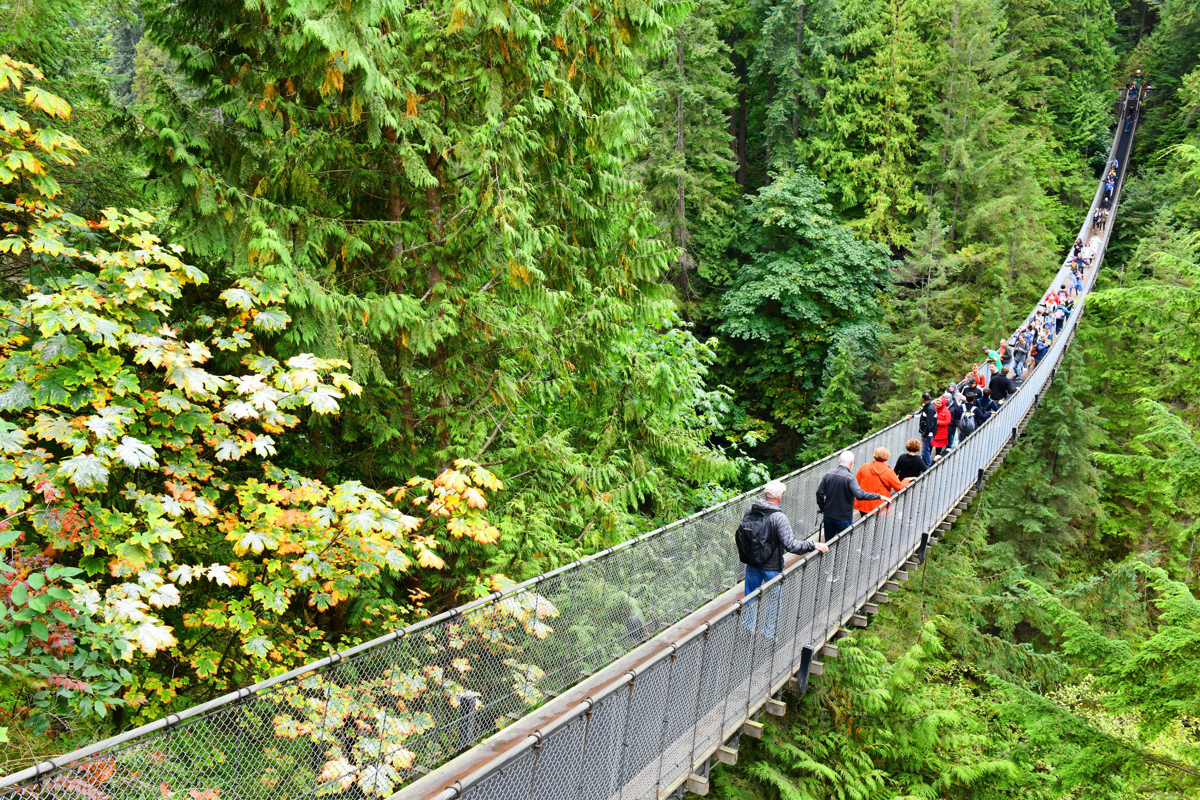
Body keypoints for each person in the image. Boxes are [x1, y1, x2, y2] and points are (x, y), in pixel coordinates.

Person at [736, 481, 828, 635]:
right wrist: (814, 545)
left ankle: (747, 627)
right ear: (779, 497)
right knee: (774, 600)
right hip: (771, 567)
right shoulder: (779, 518)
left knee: (750, 596)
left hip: (752, 563)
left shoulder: (750, 510)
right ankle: (768, 633)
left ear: (765, 494)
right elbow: (791, 545)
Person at [816, 451, 884, 544]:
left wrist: (823, 507)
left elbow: (819, 493)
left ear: (839, 461)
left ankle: (829, 558)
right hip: (844, 518)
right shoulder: (850, 478)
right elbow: (860, 495)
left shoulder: (829, 474)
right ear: (851, 463)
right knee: (843, 544)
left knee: (829, 543)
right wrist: (878, 496)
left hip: (828, 516)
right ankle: (839, 559)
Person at [854, 448, 911, 518]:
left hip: (864, 504)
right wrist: (906, 479)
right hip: (880, 505)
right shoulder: (888, 472)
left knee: (864, 522)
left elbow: (856, 484)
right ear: (886, 458)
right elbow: (899, 487)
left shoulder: (864, 467)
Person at [918, 392, 936, 467]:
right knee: (926, 450)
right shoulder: (929, 406)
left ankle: (927, 466)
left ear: (923, 399)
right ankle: (926, 464)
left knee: (926, 450)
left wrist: (925, 435)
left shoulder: (929, 409)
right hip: (929, 432)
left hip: (928, 433)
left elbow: (929, 423)